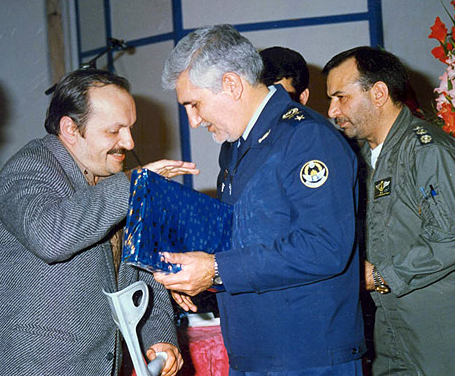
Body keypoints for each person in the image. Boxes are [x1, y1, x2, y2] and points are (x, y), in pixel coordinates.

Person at [154, 24, 365, 375]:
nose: (193, 121)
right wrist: (193, 273)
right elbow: (250, 239)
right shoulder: (237, 147)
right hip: (254, 352)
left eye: (194, 104)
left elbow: (325, 246)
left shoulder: (306, 138)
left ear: (231, 85)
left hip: (306, 357)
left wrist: (216, 269)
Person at [0, 69, 195, 376]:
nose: (129, 142)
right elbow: (51, 236)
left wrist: (160, 339)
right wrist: (132, 184)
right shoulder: (27, 169)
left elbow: (144, 273)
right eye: (114, 131)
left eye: (129, 128)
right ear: (70, 129)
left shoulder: (111, 177)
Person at [324, 46, 455, 375]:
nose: (332, 110)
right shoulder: (364, 160)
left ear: (378, 93)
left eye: (341, 97)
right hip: (394, 325)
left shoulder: (427, 152)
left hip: (443, 330)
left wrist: (381, 276)